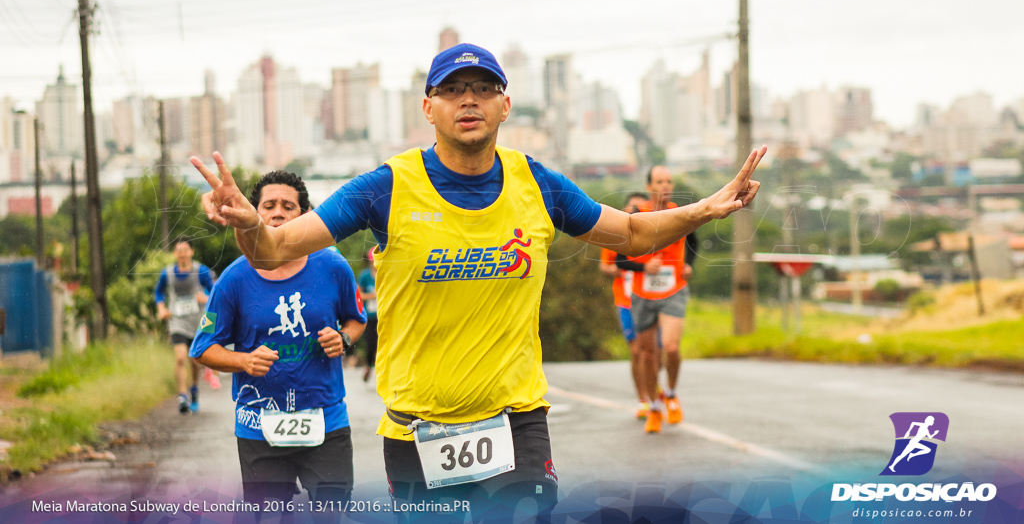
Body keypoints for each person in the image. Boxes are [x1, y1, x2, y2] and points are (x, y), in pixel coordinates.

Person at [192, 43, 765, 520]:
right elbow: (276, 249)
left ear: (506, 105)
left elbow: (632, 234)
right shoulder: (386, 187)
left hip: (515, 421)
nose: (469, 99)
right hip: (418, 427)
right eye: (452, 89)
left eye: (484, 88)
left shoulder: (535, 184)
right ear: (429, 107)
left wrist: (706, 209)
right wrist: (249, 227)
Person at [188, 170, 367, 511]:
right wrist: (243, 361)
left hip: (327, 423)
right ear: (253, 212)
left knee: (332, 514)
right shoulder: (234, 278)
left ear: (305, 215)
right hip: (259, 427)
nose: (278, 212)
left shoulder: (333, 265)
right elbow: (202, 348)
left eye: (289, 205)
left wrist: (342, 339)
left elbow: (356, 320)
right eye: (268, 205)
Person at [616, 165, 699, 434]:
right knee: (648, 355)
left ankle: (671, 393)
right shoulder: (637, 216)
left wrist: (688, 263)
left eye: (669, 181)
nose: (665, 186)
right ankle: (653, 407)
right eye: (659, 181)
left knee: (671, 347)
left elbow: (693, 242)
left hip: (673, 289)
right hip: (642, 293)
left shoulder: (680, 213)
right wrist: (643, 268)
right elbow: (620, 259)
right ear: (649, 186)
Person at [598, 192, 652, 420]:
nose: (635, 212)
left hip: (650, 298)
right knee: (636, 350)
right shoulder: (616, 236)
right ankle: (642, 399)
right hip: (625, 299)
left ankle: (652, 386)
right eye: (631, 208)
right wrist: (618, 270)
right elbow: (605, 265)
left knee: (652, 352)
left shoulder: (653, 236)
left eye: (640, 208)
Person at [155, 236, 216, 414]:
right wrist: (161, 308)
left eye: (185, 250)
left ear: (191, 252)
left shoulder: (201, 271)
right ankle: (182, 396)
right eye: (179, 250)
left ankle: (195, 389)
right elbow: (159, 292)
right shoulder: (167, 273)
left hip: (198, 321)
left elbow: (216, 292)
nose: (182, 254)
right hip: (177, 321)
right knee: (180, 357)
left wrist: (205, 298)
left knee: (195, 361)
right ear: (175, 253)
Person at [357, 248, 379, 383]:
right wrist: (373, 295)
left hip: (384, 315)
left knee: (383, 344)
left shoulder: (386, 272)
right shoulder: (364, 276)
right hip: (369, 316)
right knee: (371, 343)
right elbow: (358, 295)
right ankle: (368, 366)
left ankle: (381, 369)